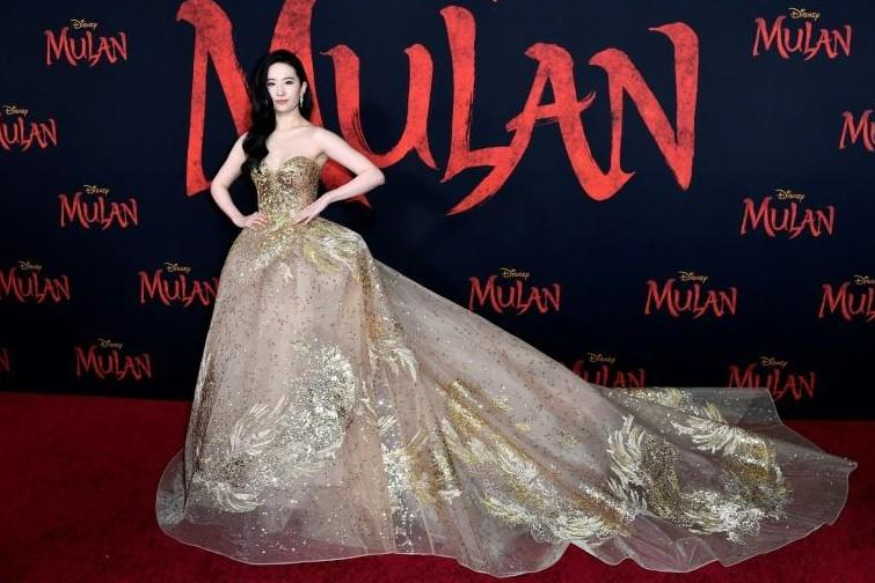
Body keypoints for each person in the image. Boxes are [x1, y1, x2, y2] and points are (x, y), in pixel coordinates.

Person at [155, 49, 857, 577]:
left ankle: (342, 458)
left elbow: (373, 174)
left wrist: (323, 203)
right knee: (273, 356)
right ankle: (280, 462)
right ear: (265, 91)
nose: (280, 91)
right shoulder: (253, 142)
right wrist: (243, 218)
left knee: (336, 355)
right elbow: (219, 185)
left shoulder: (314, 138)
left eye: (288, 83)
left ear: (303, 88)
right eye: (272, 85)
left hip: (316, 258)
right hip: (262, 261)